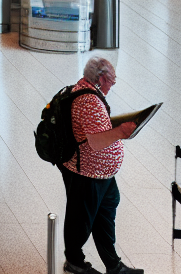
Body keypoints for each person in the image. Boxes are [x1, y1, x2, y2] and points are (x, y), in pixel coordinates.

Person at [56, 57, 140, 274]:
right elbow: (95, 142)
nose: (112, 85)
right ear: (102, 78)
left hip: (101, 174)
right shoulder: (88, 101)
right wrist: (121, 132)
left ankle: (113, 265)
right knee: (81, 219)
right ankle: (74, 262)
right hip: (88, 173)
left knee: (105, 214)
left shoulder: (88, 93)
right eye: (112, 80)